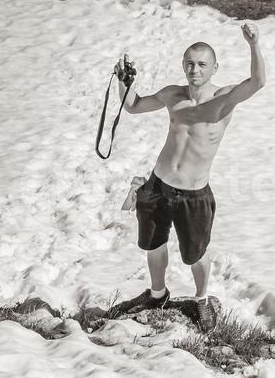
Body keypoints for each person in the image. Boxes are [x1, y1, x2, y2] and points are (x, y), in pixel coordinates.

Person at [113, 22, 266, 332]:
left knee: (195, 255)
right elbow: (133, 106)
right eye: (189, 64)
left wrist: (253, 45)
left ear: (214, 68)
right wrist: (123, 81)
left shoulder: (224, 98)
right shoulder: (173, 94)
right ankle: (157, 295)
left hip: (194, 194)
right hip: (157, 185)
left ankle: (201, 298)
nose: (194, 70)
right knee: (153, 245)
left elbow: (258, 82)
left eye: (201, 64)